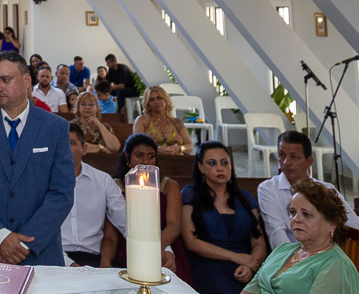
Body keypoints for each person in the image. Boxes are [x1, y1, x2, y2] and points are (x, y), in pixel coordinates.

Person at [0, 51, 75, 266]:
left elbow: (62, 193)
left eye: (6, 80)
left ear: (27, 80)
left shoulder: (55, 127)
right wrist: (0, 237)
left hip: (39, 250)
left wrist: (23, 244)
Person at [256, 131, 359, 288]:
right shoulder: (268, 189)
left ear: (309, 161)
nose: (286, 162)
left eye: (294, 157)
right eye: (281, 155)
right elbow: (277, 236)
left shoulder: (326, 189)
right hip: (293, 264)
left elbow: (357, 229)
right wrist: (295, 268)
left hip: (328, 260)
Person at [243, 179, 359, 294]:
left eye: (306, 214)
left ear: (331, 224)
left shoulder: (335, 266)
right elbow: (250, 290)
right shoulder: (282, 249)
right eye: (292, 212)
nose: (296, 219)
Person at [181, 141, 268, 293]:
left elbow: (259, 242)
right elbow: (191, 242)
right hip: (209, 263)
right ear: (201, 167)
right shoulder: (190, 194)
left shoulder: (245, 198)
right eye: (212, 163)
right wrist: (235, 257)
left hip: (246, 265)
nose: (220, 168)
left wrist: (250, 265)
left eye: (224, 162)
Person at [111, 133, 189, 281]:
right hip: (129, 245)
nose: (145, 161)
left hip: (165, 241)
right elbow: (111, 231)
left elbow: (173, 224)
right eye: (139, 156)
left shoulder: (168, 186)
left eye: (151, 156)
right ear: (127, 157)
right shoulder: (116, 186)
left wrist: (158, 248)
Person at [62, 122, 127, 267]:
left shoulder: (103, 181)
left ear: (84, 149)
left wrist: (162, 247)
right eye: (60, 143)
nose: (64, 148)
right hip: (56, 258)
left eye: (71, 143)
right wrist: (69, 264)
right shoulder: (42, 182)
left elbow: (126, 221)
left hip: (93, 258)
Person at [134, 86, 193, 155]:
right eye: (152, 100)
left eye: (159, 98)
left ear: (166, 100)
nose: (156, 102)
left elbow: (190, 146)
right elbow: (136, 144)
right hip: (151, 161)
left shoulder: (177, 122)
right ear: (148, 104)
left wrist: (180, 148)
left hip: (177, 161)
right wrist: (154, 149)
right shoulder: (142, 120)